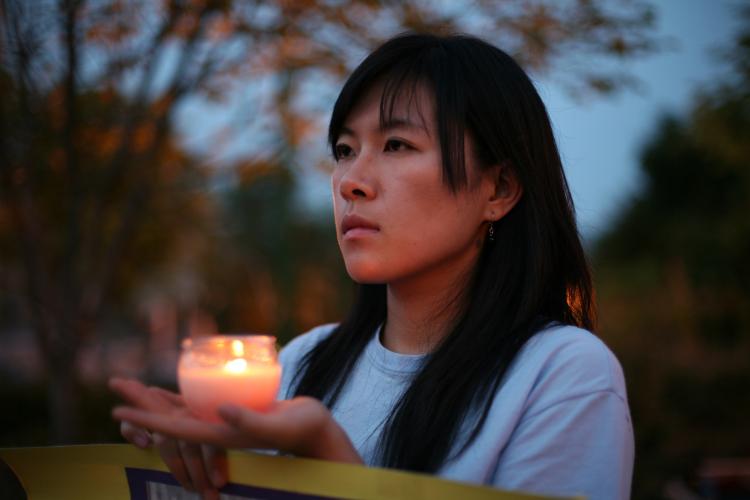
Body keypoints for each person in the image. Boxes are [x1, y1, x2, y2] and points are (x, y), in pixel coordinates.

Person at [110, 32, 634, 500]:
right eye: (343, 149)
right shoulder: (301, 363)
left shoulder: (562, 375)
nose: (349, 181)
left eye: (397, 144)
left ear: (498, 189)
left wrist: (326, 452)